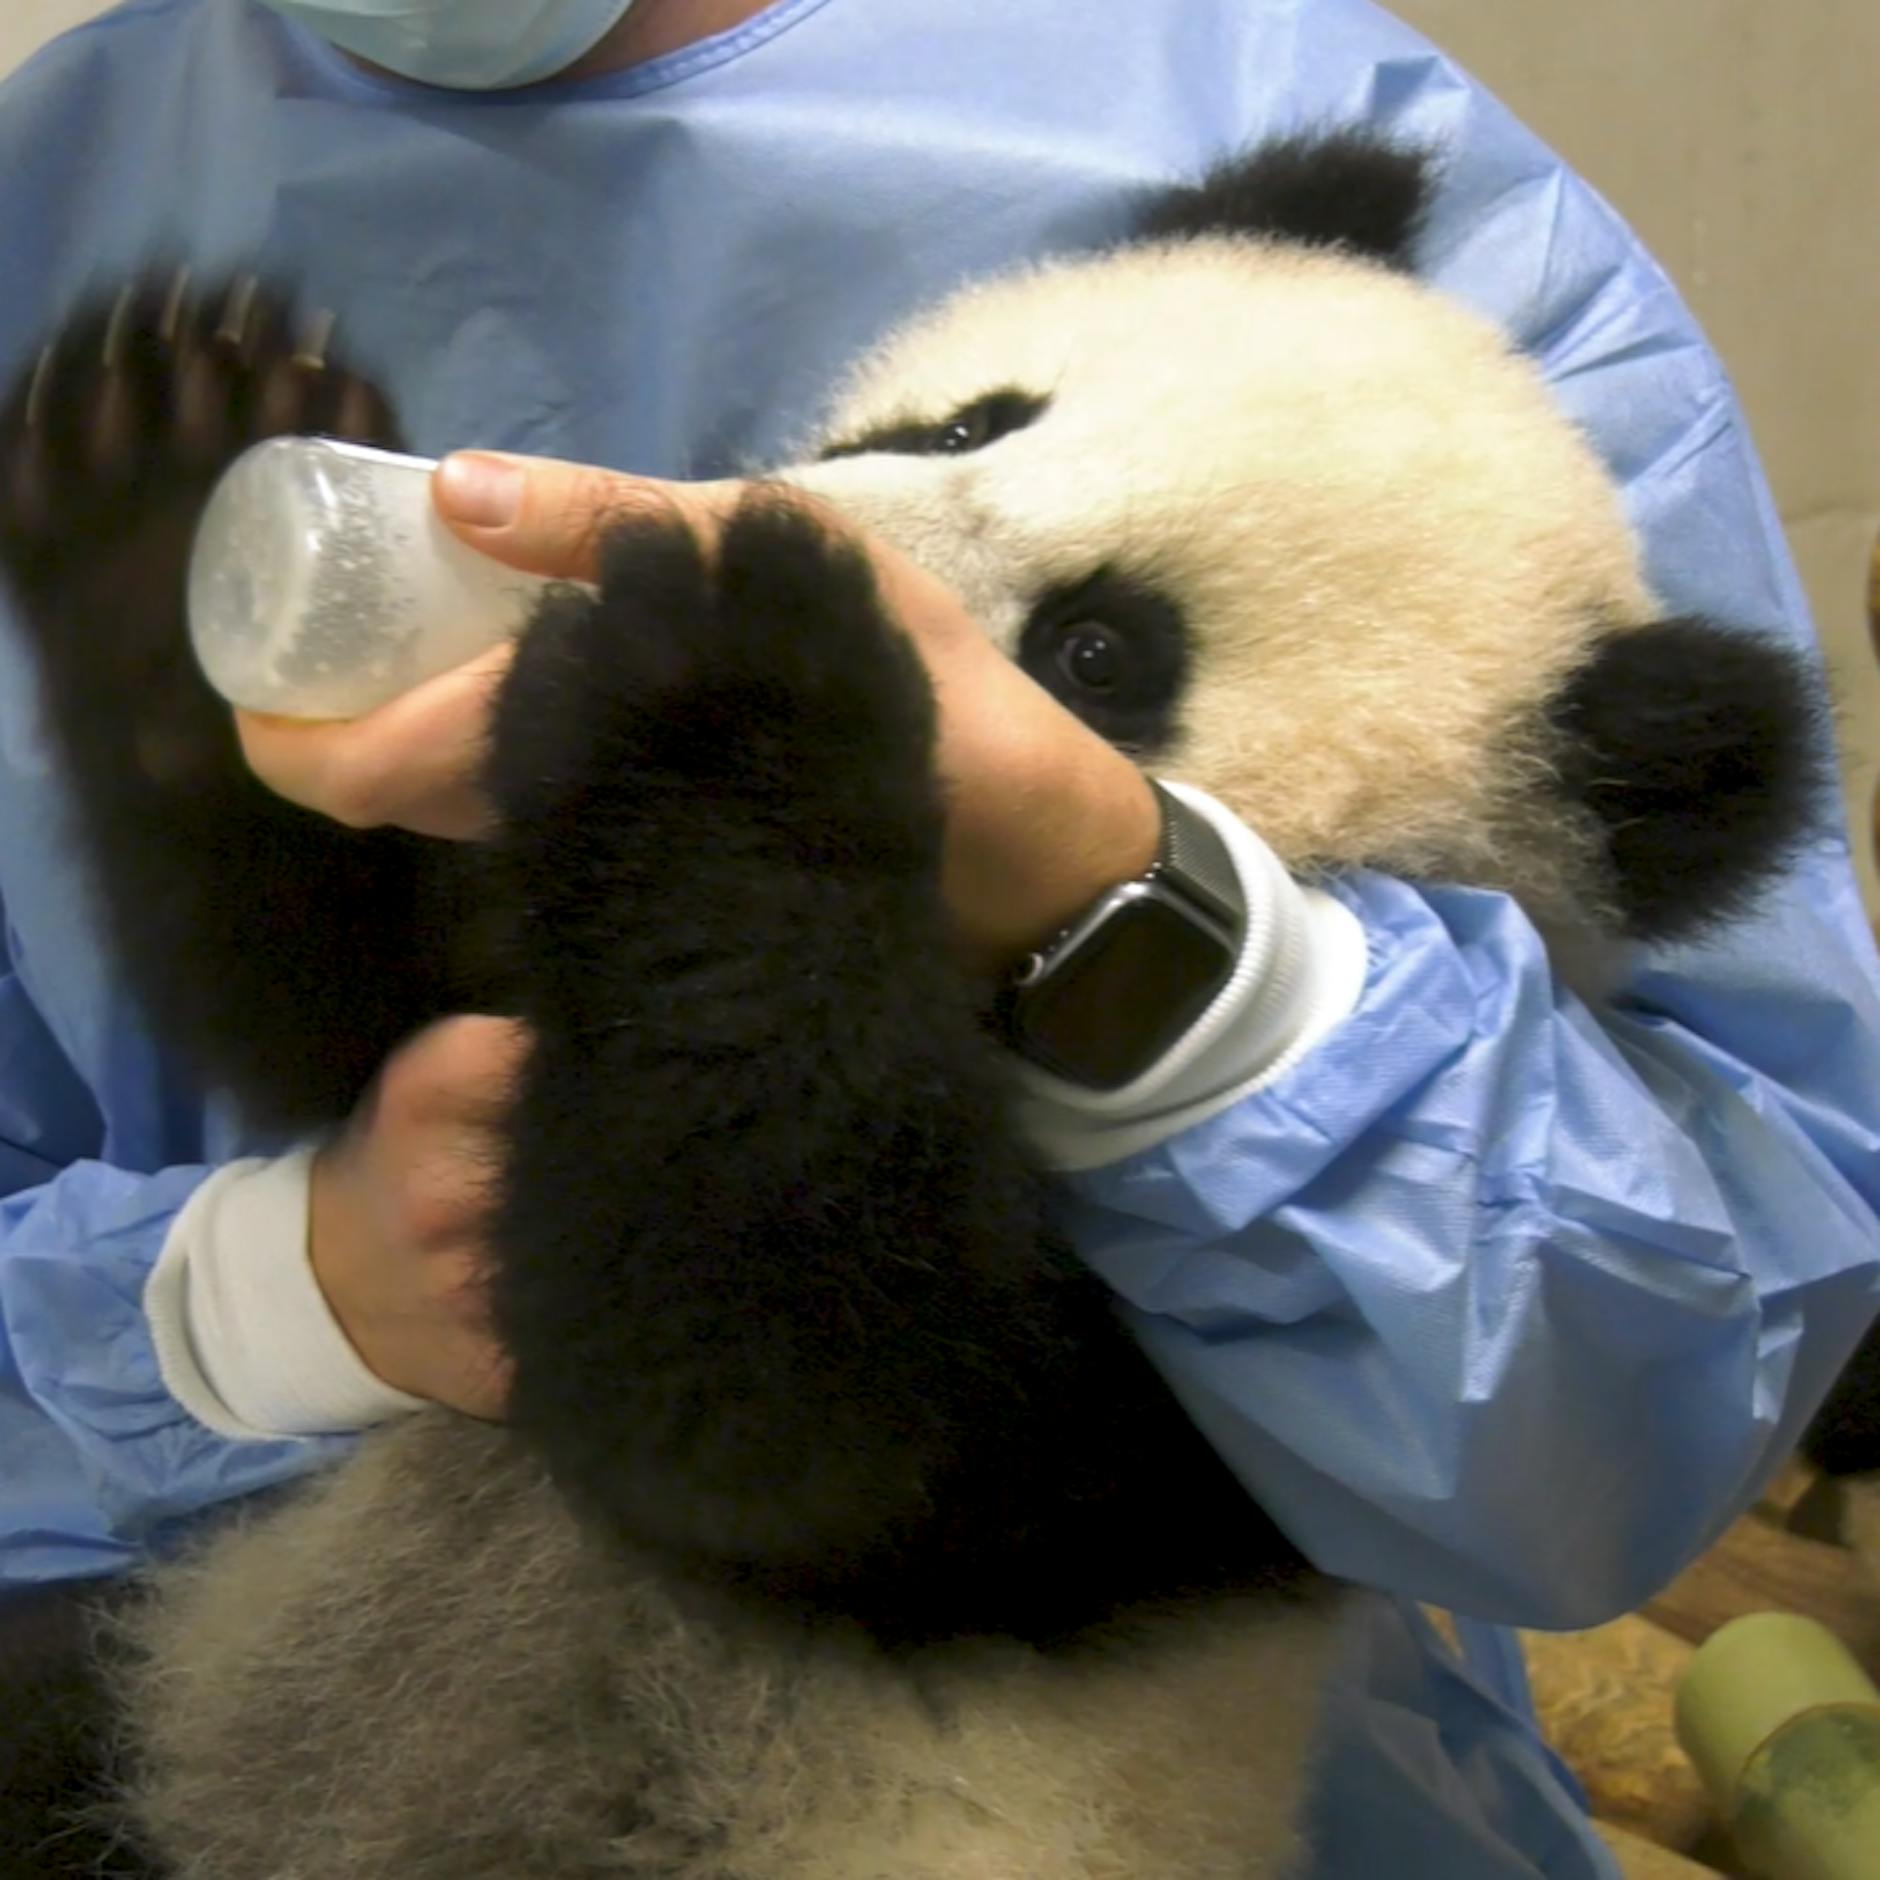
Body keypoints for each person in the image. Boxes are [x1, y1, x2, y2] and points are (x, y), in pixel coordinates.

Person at [1, 1, 1877, 1874]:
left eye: (1097, 653)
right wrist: (269, 1274)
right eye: (972, 428)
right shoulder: (67, 166)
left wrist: (1121, 913)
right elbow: (399, 1066)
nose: (882, 525)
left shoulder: (1265, 93)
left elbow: (747, 1416)